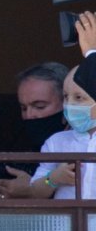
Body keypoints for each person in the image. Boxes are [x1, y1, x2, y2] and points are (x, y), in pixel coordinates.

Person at [0, 62, 68, 199]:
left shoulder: (85, 146)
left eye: (40, 106)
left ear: (67, 104)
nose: (29, 115)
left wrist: (32, 189)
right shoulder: (21, 154)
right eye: (24, 108)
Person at [30, 65, 96, 199]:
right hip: (68, 220)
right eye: (66, 97)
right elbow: (34, 192)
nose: (69, 104)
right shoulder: (56, 142)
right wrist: (53, 178)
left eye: (78, 97)